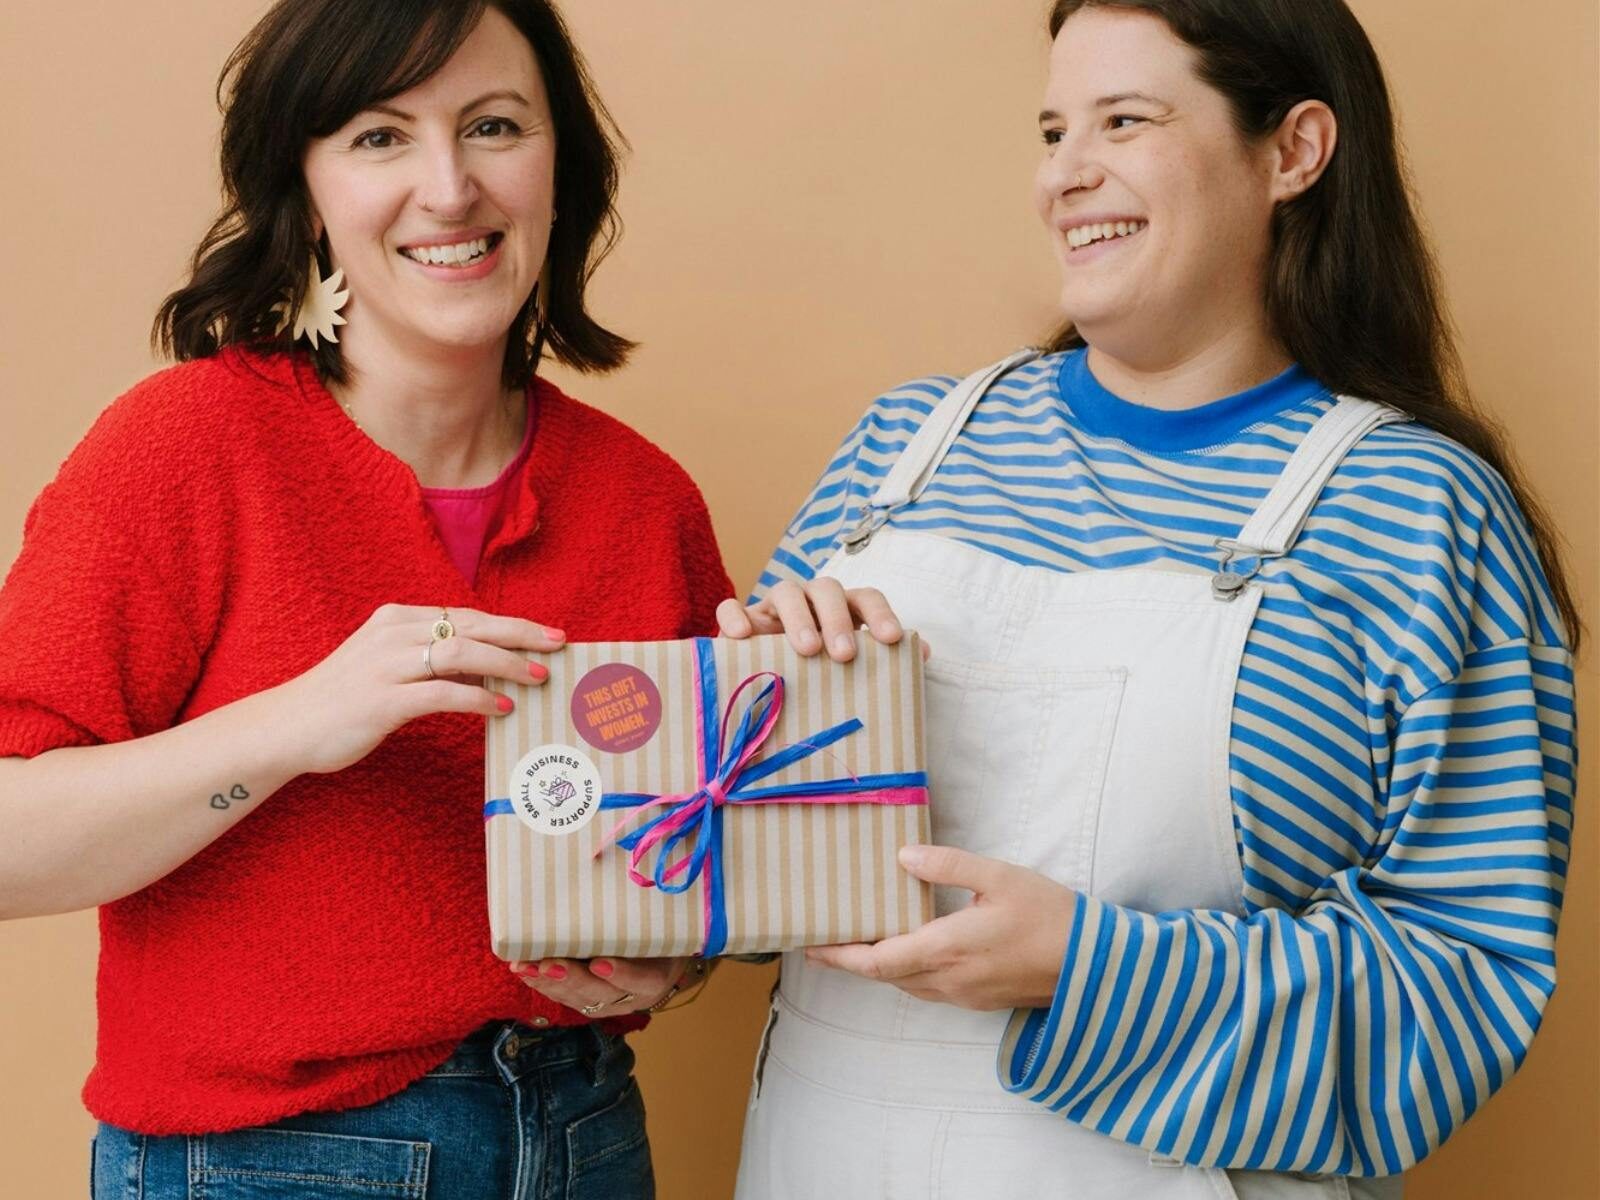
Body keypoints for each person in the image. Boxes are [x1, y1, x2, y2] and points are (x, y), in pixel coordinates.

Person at [719, 1, 1579, 1197]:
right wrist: (758, 728)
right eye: (1053, 128)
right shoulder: (905, 447)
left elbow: (1461, 989)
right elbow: (721, 859)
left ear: (1292, 152)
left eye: (1125, 121)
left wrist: (1086, 967)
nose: (1065, 176)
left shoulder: (1419, 514)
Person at [0, 2, 732, 1196]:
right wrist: (299, 720)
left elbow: (704, 851)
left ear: (563, 168)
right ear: (306, 186)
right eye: (380, 137)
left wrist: (677, 962)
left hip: (586, 1128)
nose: (449, 188)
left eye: (493, 126)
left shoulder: (642, 498)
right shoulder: (181, 451)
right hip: (269, 1160)